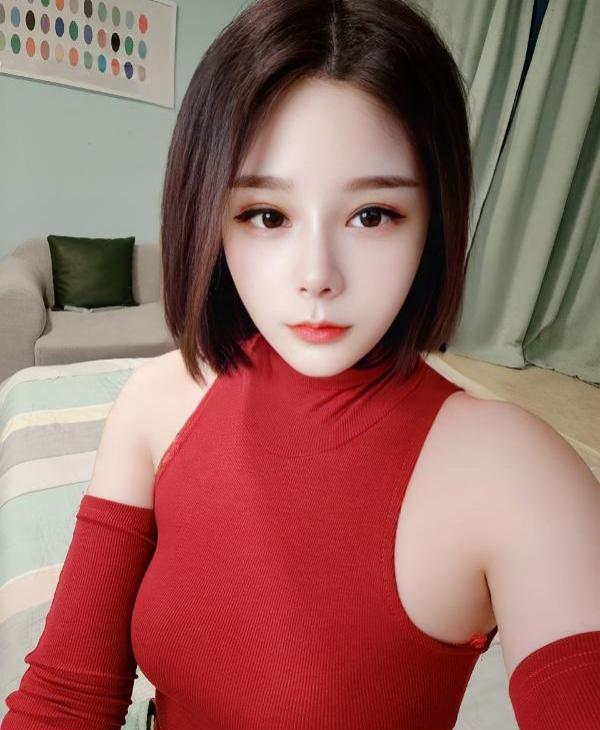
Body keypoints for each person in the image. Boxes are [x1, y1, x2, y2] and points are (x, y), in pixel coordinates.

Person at [3, 0, 599, 728]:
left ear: (435, 220)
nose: (317, 275)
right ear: (210, 215)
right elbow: (66, 698)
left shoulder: (521, 474)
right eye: (268, 215)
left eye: (372, 215)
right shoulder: (157, 401)